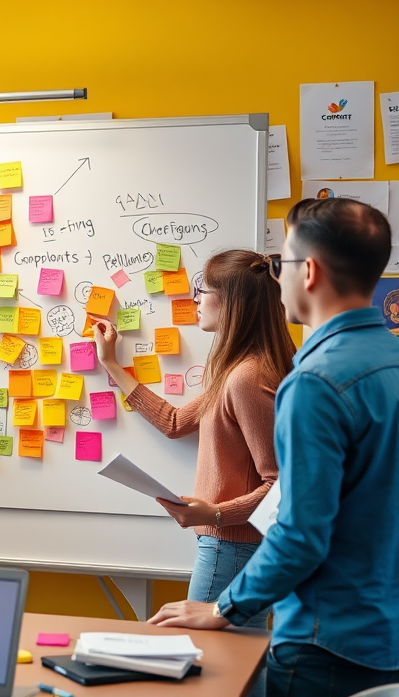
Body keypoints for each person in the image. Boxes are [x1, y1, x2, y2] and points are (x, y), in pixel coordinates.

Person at [149, 198, 399, 697]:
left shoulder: (316, 381)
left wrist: (225, 607)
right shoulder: (390, 358)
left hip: (324, 640)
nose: (275, 277)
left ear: (309, 272)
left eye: (281, 261)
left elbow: (300, 530)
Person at [94, 250, 294, 634]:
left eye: (204, 289)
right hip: (234, 547)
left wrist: (213, 515)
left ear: (233, 303)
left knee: (210, 665)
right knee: (238, 665)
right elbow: (174, 422)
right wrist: (112, 365)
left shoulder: (246, 378)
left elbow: (280, 486)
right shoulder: (237, 371)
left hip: (232, 546)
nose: (195, 299)